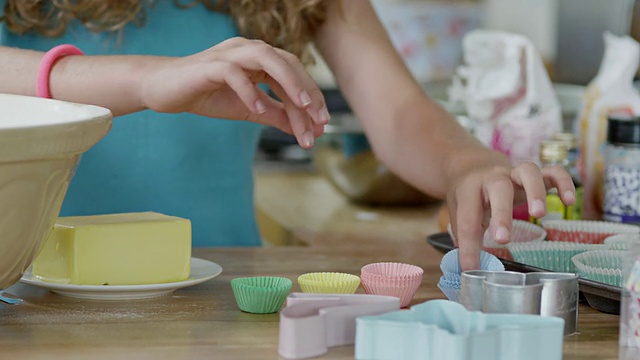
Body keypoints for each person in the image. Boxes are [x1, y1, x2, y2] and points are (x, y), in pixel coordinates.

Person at [0, 0, 575, 271]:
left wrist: (466, 165)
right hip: (25, 289)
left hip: (224, 294)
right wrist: (148, 79)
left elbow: (400, 113)